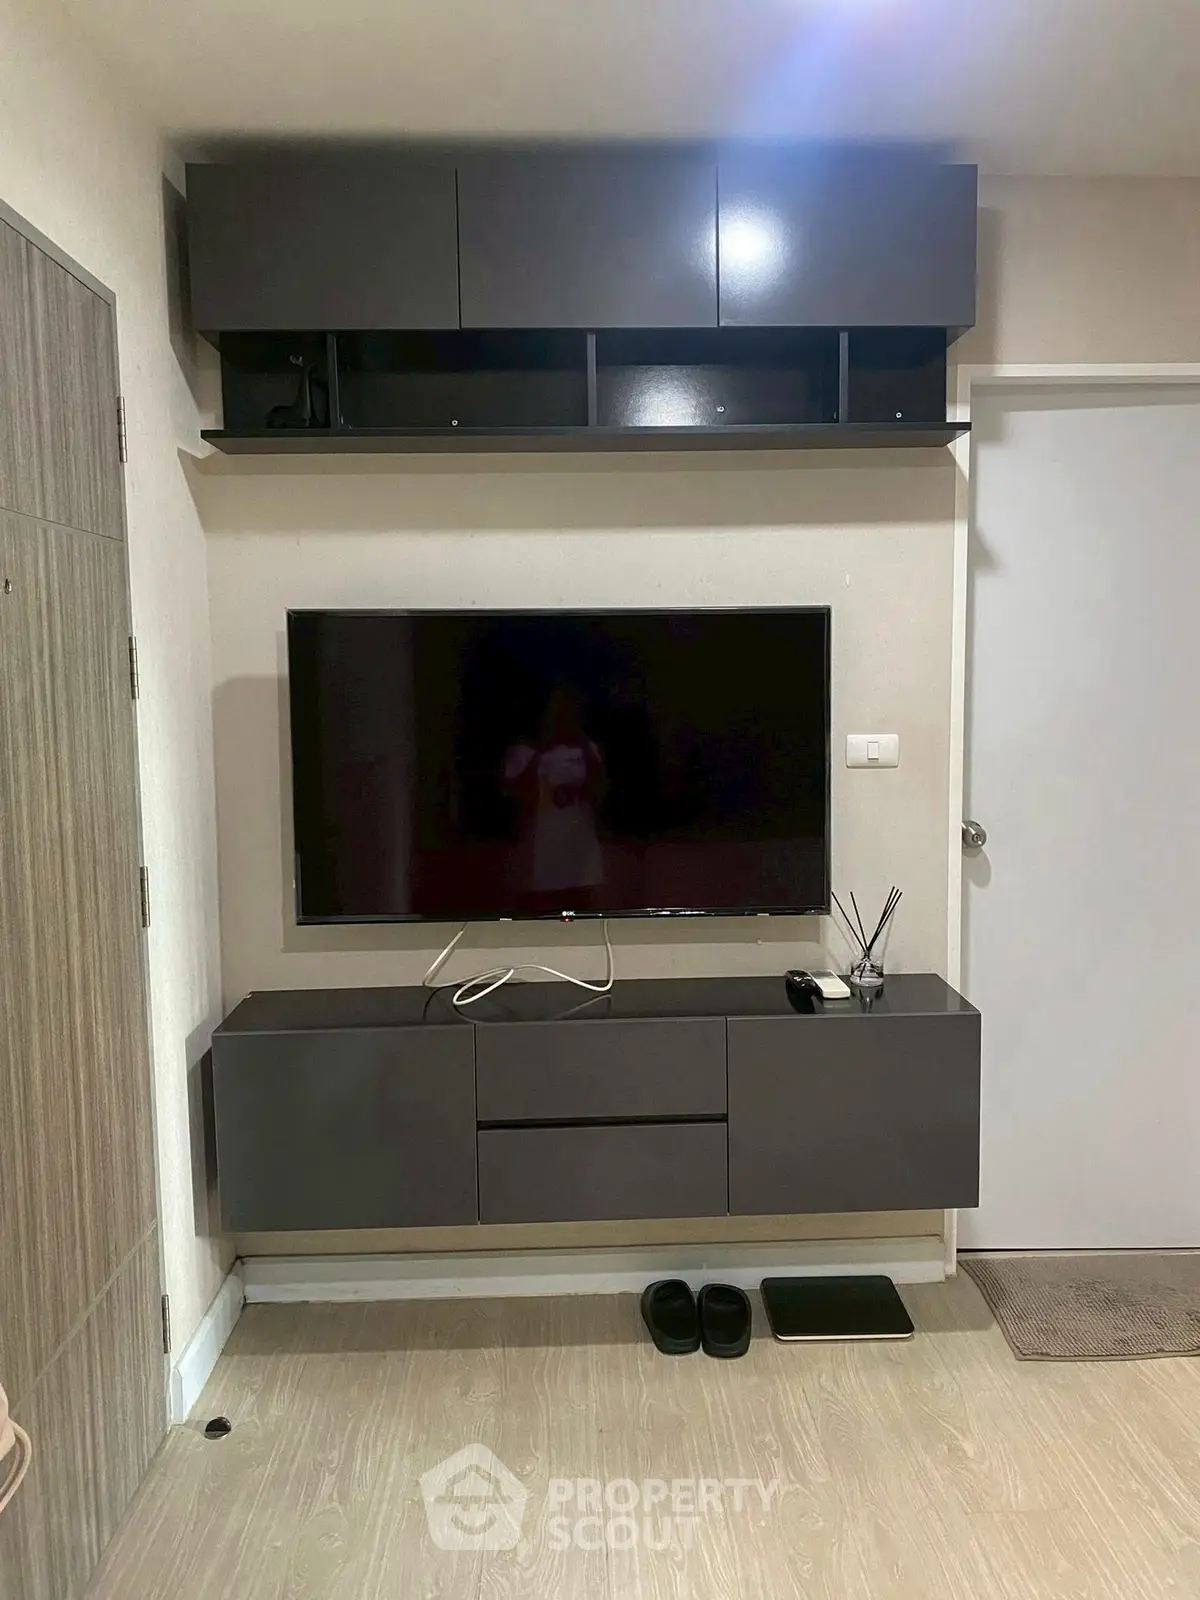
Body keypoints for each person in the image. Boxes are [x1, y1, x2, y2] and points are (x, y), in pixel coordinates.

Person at [502, 687, 606, 911]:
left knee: (582, 890)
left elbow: (600, 786)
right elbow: (514, 788)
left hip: (579, 832)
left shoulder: (587, 749)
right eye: (557, 712)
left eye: (568, 712)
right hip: (543, 832)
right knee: (545, 892)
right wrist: (541, 752)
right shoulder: (526, 751)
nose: (562, 718)